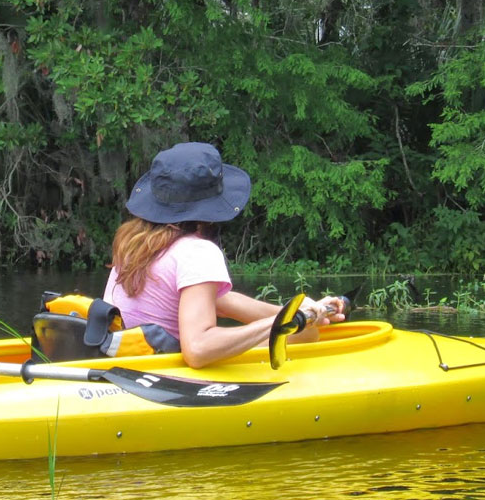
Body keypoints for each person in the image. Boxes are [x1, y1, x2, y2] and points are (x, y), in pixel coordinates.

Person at [103, 142, 346, 369]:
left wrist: (301, 310)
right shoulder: (197, 251)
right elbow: (198, 349)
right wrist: (285, 323)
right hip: (164, 371)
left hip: (125, 364)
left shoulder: (133, 244)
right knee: (306, 333)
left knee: (305, 327)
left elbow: (221, 302)